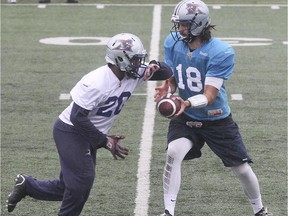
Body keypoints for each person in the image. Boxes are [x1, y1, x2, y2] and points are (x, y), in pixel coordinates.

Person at [6, 33, 172, 215]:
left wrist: (155, 65)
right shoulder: (97, 82)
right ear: (120, 60)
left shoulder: (132, 73)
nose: (138, 64)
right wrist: (105, 141)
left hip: (88, 132)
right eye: (134, 60)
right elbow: (78, 117)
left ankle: (27, 186)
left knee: (69, 186)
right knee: (81, 183)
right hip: (70, 131)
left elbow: (166, 71)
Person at [154, 1, 272, 216]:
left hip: (216, 118)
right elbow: (174, 78)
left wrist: (186, 102)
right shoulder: (172, 43)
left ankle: (260, 210)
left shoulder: (220, 51)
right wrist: (168, 88)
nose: (180, 29)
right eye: (179, 24)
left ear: (199, 25)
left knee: (241, 168)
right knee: (173, 152)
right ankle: (168, 211)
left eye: (185, 25)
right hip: (186, 116)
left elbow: (209, 95)